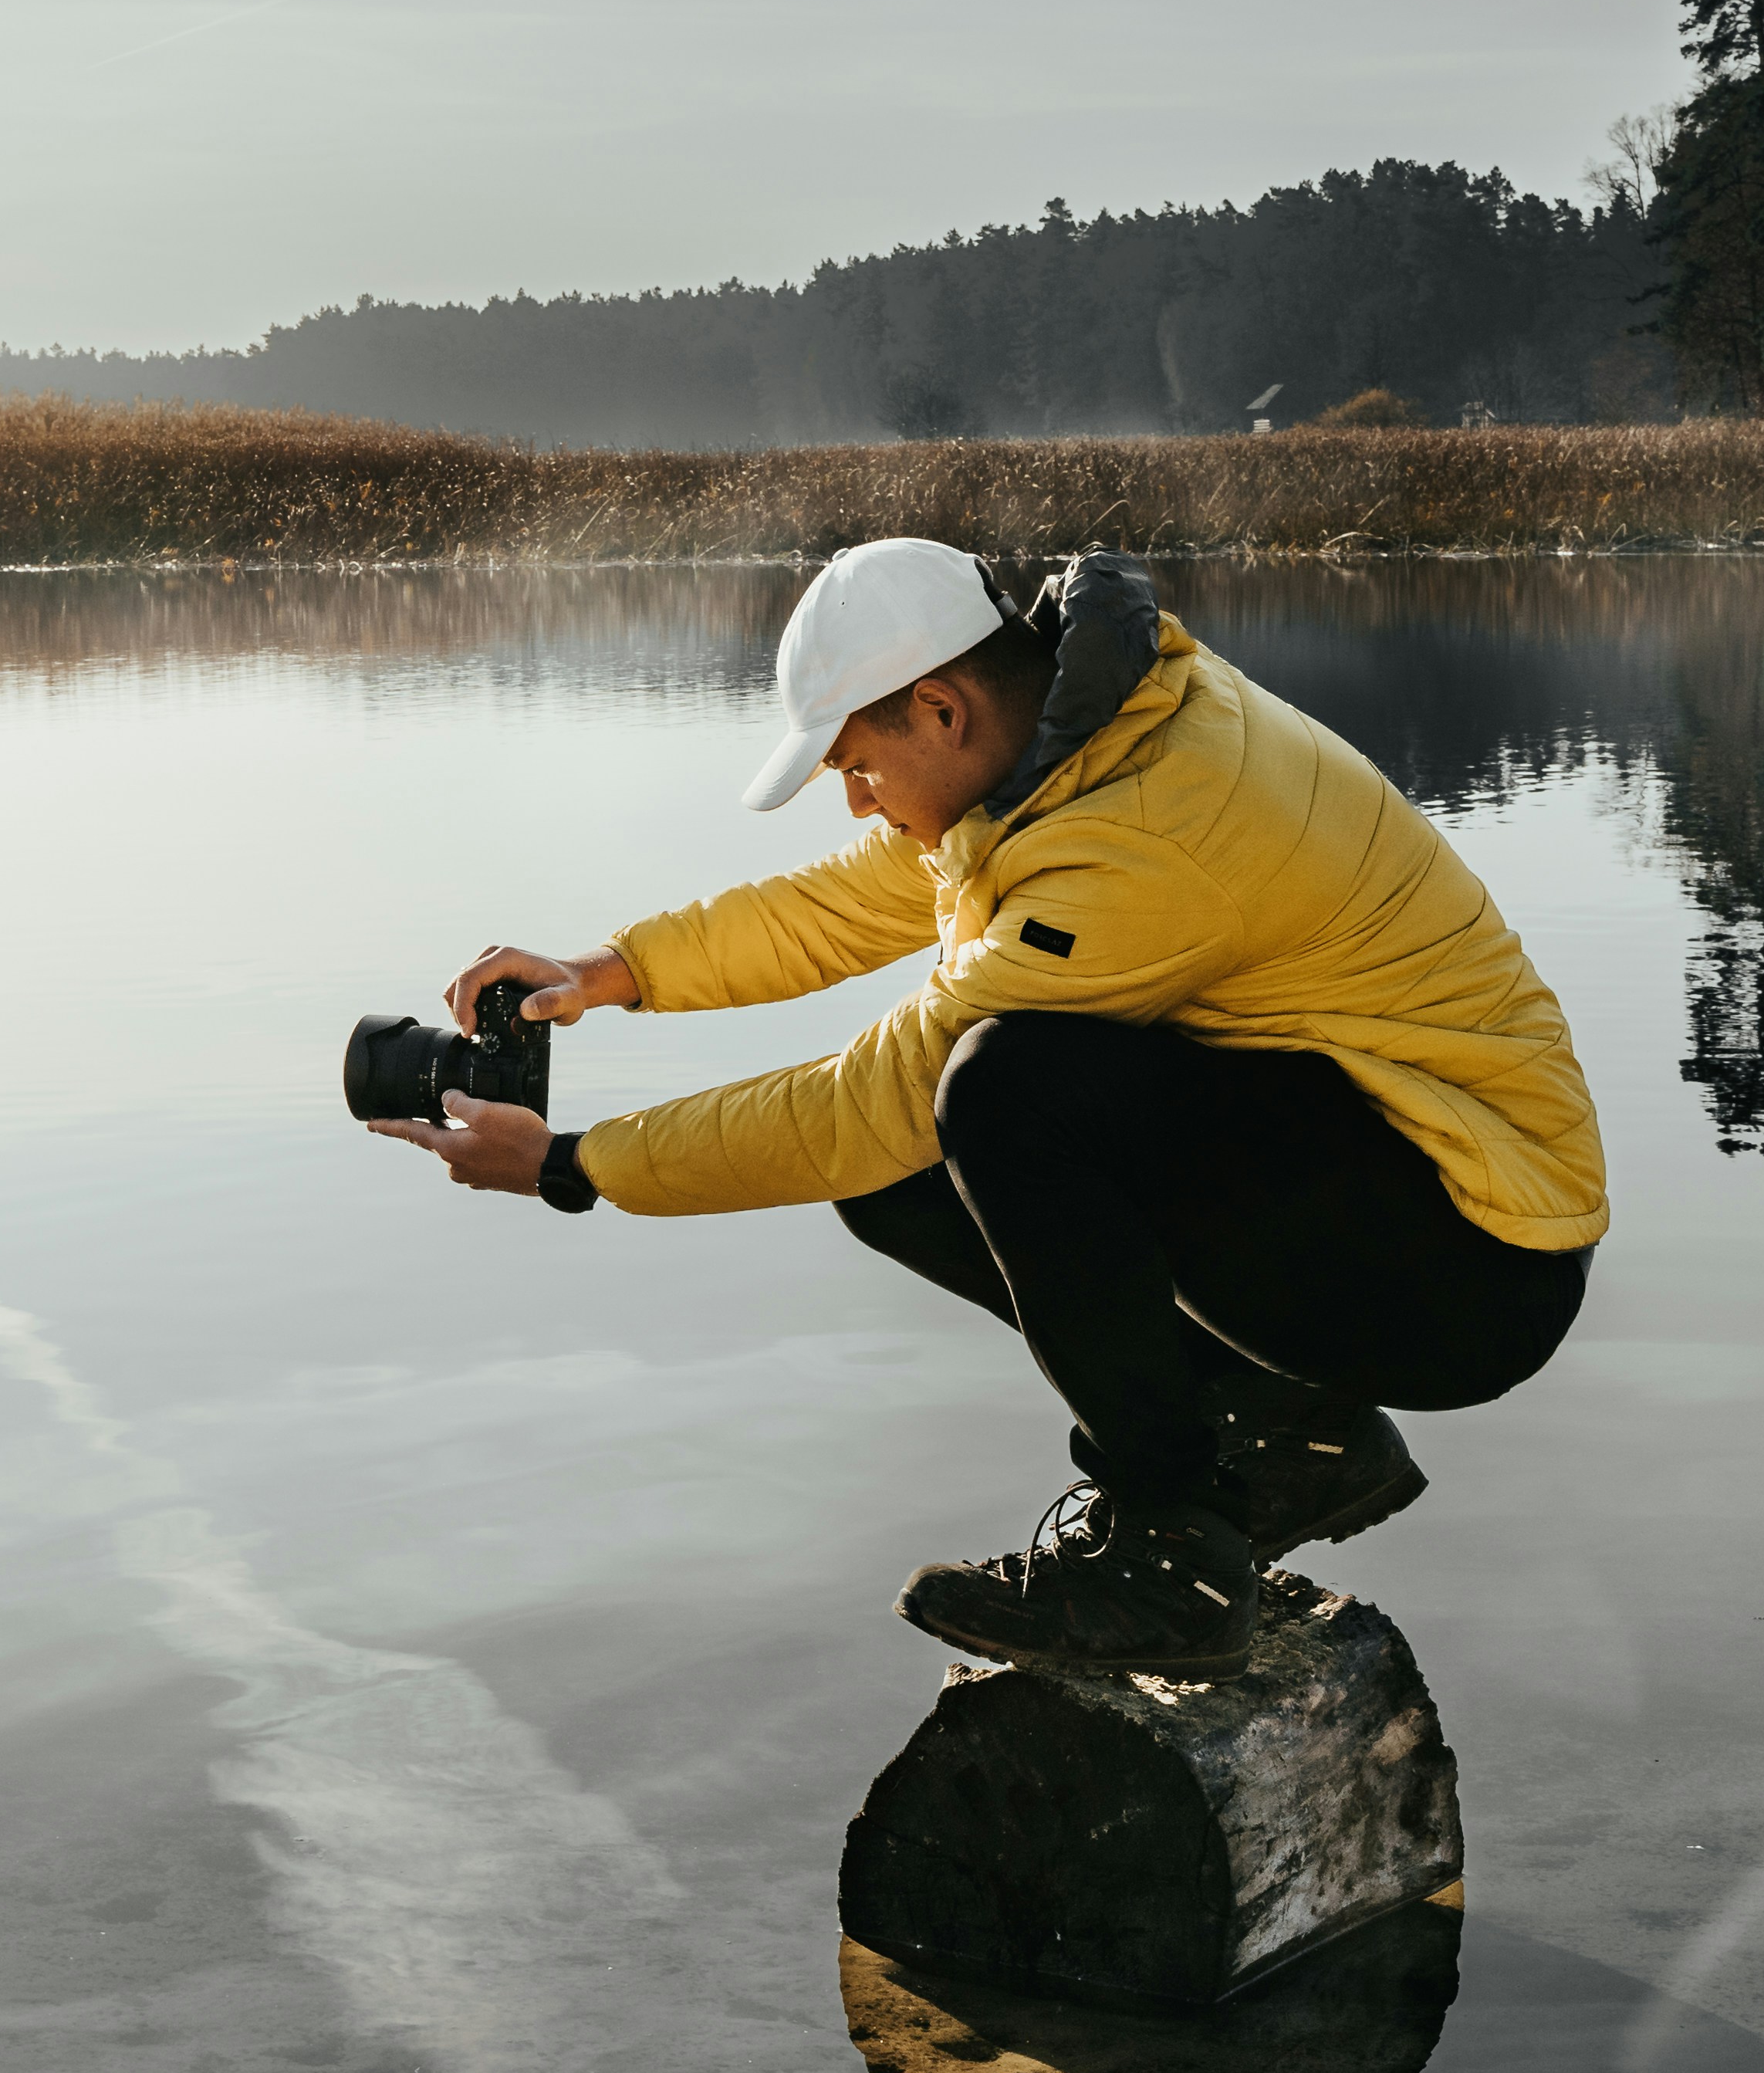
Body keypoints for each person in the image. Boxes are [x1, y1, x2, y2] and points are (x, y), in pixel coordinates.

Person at [361, 538, 1603, 1679]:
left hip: (1467, 1267)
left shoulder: (1137, 839)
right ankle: (1295, 1437)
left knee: (1000, 1089)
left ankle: (1168, 1560)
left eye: (854, 763)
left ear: (941, 709)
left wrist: (571, 1165)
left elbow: (875, 1098)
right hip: (1390, 1185)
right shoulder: (1092, 728)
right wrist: (612, 973)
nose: (855, 800)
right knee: (905, 1168)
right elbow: (864, 897)